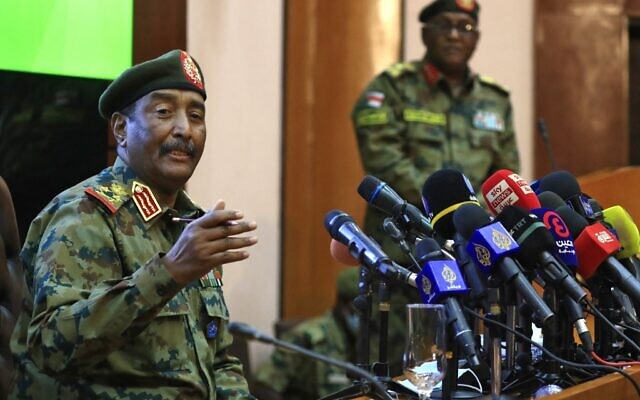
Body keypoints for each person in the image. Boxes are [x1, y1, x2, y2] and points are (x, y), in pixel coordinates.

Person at [9, 49, 258, 399]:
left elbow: (217, 362)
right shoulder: (83, 215)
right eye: (164, 112)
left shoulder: (191, 225)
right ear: (122, 129)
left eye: (196, 115)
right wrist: (169, 272)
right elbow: (52, 347)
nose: (185, 129)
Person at [351, 0, 520, 375]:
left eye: (466, 27)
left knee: (473, 374)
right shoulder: (391, 89)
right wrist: (459, 210)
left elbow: (504, 180)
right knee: (405, 373)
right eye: (446, 25)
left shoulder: (496, 100)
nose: (456, 35)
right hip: (406, 264)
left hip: (474, 266)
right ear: (425, 32)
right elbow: (386, 166)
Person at [253, 267, 361, 400]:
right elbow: (263, 387)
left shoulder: (370, 340)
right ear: (343, 305)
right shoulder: (307, 337)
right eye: (358, 311)